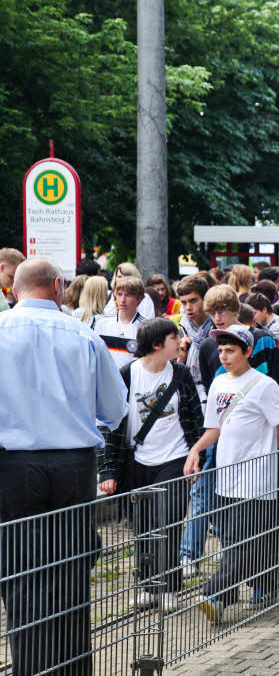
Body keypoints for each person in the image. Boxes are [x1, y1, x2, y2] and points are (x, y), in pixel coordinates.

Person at [0, 258, 129, 675]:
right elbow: (113, 409)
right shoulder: (82, 335)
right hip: (73, 465)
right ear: (58, 286)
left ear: (16, 289)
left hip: (12, 467)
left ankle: (29, 668)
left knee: (20, 572)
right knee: (71, 572)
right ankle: (71, 669)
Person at [185, 325, 279, 622]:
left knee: (242, 540)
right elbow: (214, 428)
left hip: (256, 479)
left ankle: (216, 593)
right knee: (252, 539)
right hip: (226, 477)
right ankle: (264, 587)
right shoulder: (218, 384)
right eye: (221, 351)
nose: (224, 357)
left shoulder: (264, 385)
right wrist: (196, 450)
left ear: (247, 352)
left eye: (231, 351)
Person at [98, 318, 205, 613]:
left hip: (175, 459)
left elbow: (196, 420)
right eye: (175, 337)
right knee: (143, 526)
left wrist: (197, 458)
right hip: (138, 461)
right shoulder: (127, 375)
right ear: (158, 344)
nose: (181, 342)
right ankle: (147, 585)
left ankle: (169, 586)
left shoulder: (181, 375)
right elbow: (111, 425)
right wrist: (108, 471)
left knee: (169, 521)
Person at [91, 275, 149, 368]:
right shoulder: (99, 322)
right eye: (120, 294)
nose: (123, 300)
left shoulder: (147, 327)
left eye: (128, 295)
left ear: (139, 298)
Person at [173, 274, 214, 399]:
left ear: (205, 299)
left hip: (212, 391)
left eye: (193, 301)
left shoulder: (217, 326)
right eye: (184, 303)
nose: (188, 307)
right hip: (186, 392)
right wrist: (181, 357)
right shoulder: (178, 328)